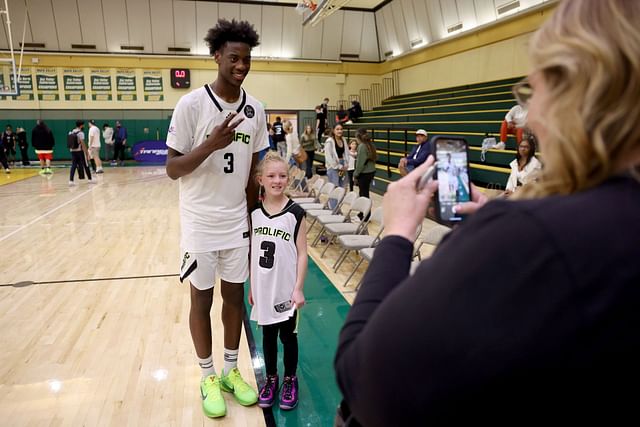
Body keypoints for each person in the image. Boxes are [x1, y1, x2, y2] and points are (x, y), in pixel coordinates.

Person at [335, 1, 640, 425]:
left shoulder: (533, 235)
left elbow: (362, 377)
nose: (528, 117)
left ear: (576, 89)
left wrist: (398, 234)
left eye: (533, 93)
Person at [165, 18, 268, 419]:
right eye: (233, 58)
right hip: (199, 222)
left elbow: (252, 172)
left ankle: (230, 370)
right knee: (201, 299)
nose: (240, 65)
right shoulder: (191, 105)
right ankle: (206, 374)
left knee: (234, 300)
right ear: (216, 57)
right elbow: (172, 169)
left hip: (236, 222)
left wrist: (253, 215)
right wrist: (211, 144)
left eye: (246, 59)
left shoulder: (255, 109)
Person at [249, 152, 308, 411]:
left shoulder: (295, 213)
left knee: (288, 336)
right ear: (260, 179)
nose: (277, 180)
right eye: (271, 176)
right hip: (263, 289)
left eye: (282, 175)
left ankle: (290, 379)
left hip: (286, 290)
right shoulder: (254, 213)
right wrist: (252, 286)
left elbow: (303, 253)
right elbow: (252, 252)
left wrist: (298, 288)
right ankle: (271, 378)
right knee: (268, 338)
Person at [324, 123, 350, 191]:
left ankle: (340, 202)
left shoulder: (343, 139)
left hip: (343, 165)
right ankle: (333, 202)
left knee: (342, 188)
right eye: (337, 129)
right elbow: (328, 157)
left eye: (341, 129)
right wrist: (339, 166)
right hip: (333, 166)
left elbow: (346, 153)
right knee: (334, 188)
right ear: (333, 130)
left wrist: (346, 164)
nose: (340, 131)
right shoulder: (329, 141)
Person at [68, 120, 94, 185]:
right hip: (80, 151)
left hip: (72, 151)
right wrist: (86, 152)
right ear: (81, 125)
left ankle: (71, 181)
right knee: (86, 164)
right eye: (83, 124)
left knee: (73, 165)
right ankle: (90, 179)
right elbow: (82, 143)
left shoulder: (71, 132)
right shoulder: (80, 133)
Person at [353, 128, 377, 200]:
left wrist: (355, 174)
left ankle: (365, 211)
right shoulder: (370, 144)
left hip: (364, 173)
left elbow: (360, 163)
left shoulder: (362, 146)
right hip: (371, 171)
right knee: (365, 192)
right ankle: (364, 211)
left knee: (363, 194)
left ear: (358, 137)